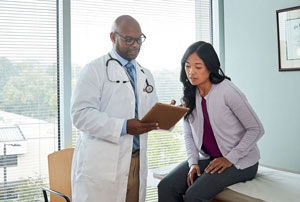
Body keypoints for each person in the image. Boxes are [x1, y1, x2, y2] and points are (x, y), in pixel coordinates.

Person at [157, 41, 265, 202]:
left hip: (241, 162)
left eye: (198, 67)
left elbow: (256, 129)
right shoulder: (188, 96)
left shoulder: (227, 91)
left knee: (194, 195)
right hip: (209, 158)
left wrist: (230, 158)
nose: (191, 72)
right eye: (187, 66)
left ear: (210, 67)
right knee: (166, 186)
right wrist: (193, 163)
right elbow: (188, 135)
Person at [71, 15, 159, 202]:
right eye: (128, 40)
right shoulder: (94, 70)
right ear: (113, 37)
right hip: (103, 163)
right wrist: (124, 127)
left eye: (139, 39)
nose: (135, 45)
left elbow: (149, 111)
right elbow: (80, 115)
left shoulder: (145, 74)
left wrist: (165, 113)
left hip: (135, 160)